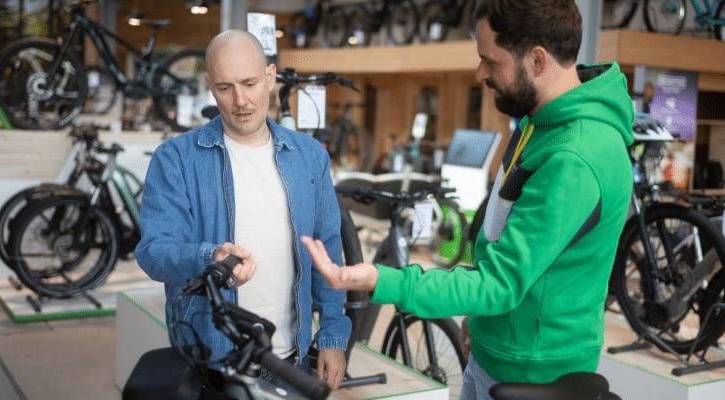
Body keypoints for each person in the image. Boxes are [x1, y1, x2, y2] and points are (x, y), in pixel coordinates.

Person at [301, 0, 634, 399]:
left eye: (490, 61)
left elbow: (501, 283)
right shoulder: (537, 122)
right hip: (498, 349)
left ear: (538, 61)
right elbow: (505, 234)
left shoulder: (574, 158)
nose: (480, 74)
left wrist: (378, 279)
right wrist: (479, 319)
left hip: (534, 371)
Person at [135, 30, 350, 390]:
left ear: (270, 77)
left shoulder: (310, 157)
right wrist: (210, 257)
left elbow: (327, 252)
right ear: (209, 86)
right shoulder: (176, 159)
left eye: (250, 83)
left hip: (287, 358)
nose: (240, 101)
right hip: (210, 361)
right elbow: (154, 252)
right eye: (224, 87)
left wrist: (332, 335)